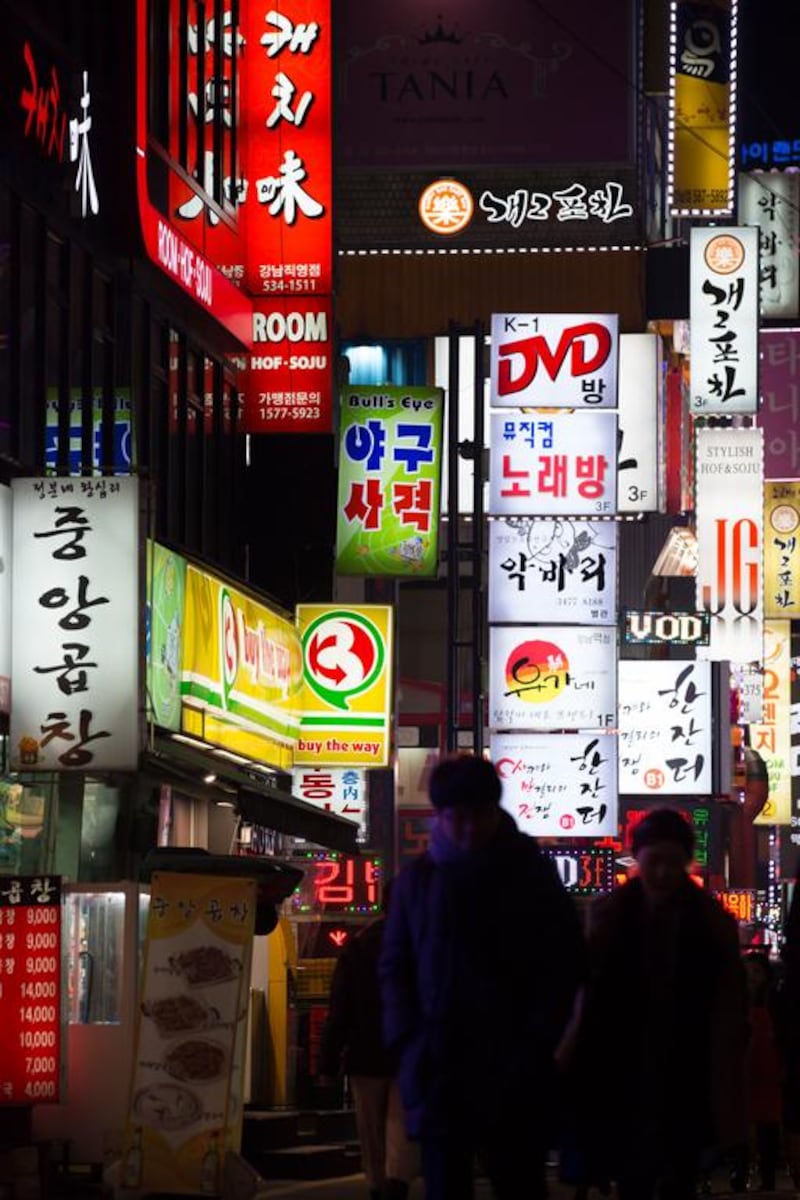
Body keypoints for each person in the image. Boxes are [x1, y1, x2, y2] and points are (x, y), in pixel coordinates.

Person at [379, 753, 586, 1200]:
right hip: (439, 1063)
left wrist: (540, 1039)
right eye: (456, 816)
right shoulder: (419, 881)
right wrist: (409, 1040)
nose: (468, 828)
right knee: (447, 1186)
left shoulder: (531, 873)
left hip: (516, 1063)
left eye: (478, 814)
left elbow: (565, 961)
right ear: (441, 816)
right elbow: (395, 966)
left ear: (496, 811)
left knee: (519, 1182)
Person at [561, 807, 749, 1200]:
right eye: (654, 861)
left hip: (687, 1067)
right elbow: (586, 996)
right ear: (638, 859)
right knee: (636, 1176)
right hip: (624, 1066)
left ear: (686, 862)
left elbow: (728, 1010)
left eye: (672, 862)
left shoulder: (712, 924)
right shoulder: (608, 916)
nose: (662, 872)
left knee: (675, 1175)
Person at [317, 878, 419, 1200]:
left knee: (370, 1127)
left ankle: (377, 1184)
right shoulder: (425, 943)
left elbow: (340, 1006)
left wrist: (328, 1061)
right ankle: (397, 1182)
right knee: (401, 1125)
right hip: (409, 1052)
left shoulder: (359, 945)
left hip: (366, 1051)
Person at [729, 951, 782, 1193]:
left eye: (756, 972)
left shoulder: (774, 1004)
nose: (751, 977)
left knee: (765, 1126)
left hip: (767, 1068)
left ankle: (765, 1176)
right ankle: (740, 1174)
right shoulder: (734, 1004)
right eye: (748, 972)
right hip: (745, 1069)